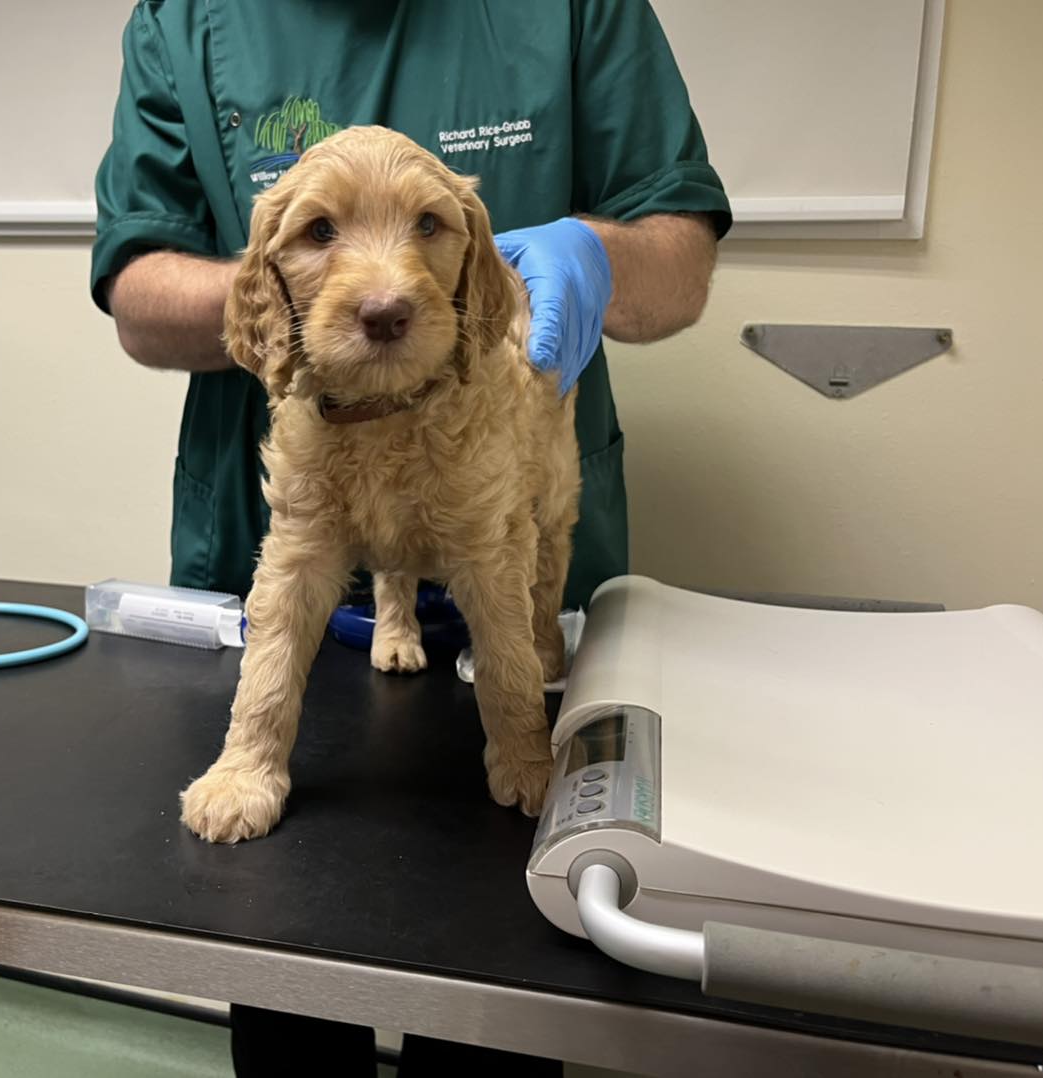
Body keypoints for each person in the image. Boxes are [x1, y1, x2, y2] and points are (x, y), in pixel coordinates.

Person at [91, 3, 731, 1074]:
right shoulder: (189, 20)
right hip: (293, 518)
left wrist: (593, 254)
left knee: (504, 991)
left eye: (424, 229)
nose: (386, 284)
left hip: (501, 532)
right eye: (325, 233)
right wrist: (287, 310)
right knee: (282, 968)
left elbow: (681, 248)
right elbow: (135, 286)